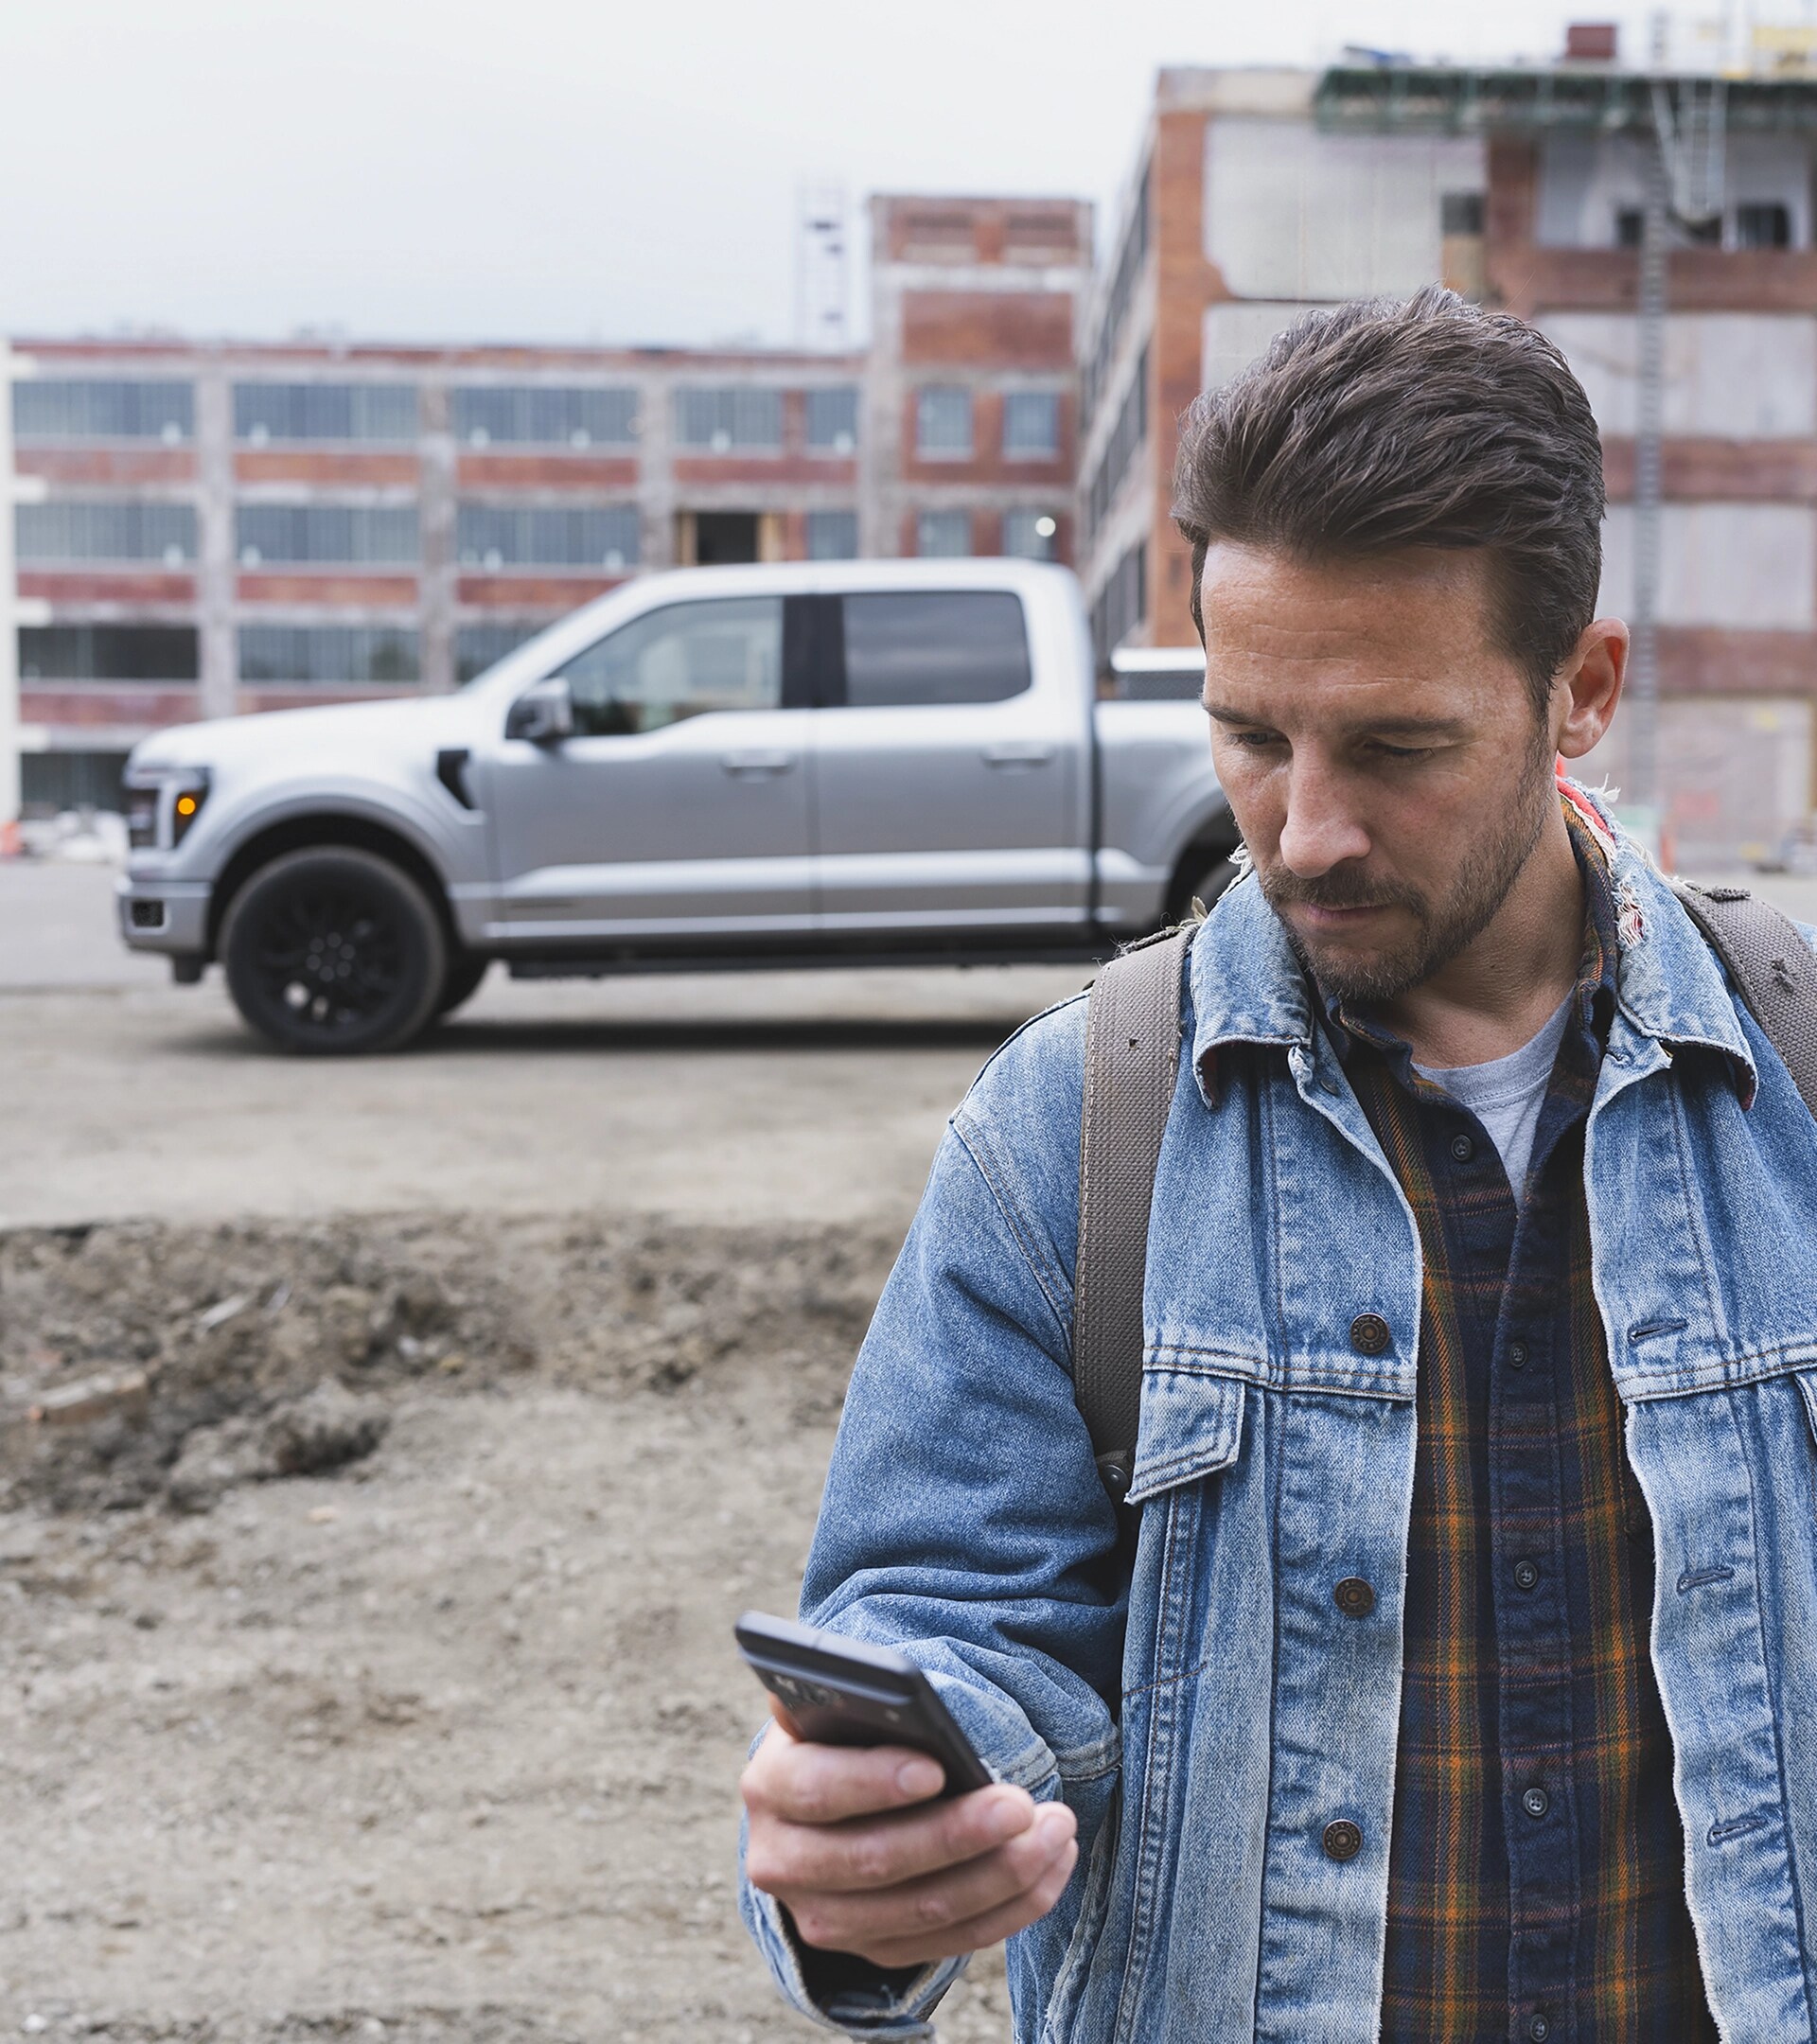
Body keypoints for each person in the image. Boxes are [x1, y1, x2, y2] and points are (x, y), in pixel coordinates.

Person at [737, 286, 1817, 2043]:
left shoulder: (1801, 1079)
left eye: (1395, 747)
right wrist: (880, 1843)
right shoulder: (1073, 1134)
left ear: (1580, 693)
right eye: (1251, 736)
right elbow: (948, 1640)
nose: (1306, 830)